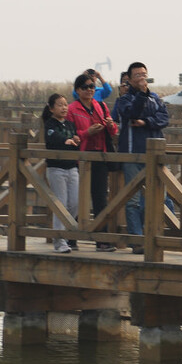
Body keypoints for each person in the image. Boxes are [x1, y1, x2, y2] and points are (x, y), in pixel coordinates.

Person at [113, 61, 169, 253]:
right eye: (137, 75)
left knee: (155, 198)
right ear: (129, 78)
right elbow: (131, 113)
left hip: (155, 155)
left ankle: (151, 237)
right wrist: (140, 96)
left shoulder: (155, 97)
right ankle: (137, 241)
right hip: (132, 154)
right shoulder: (124, 99)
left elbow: (164, 118)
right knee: (133, 200)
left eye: (144, 74)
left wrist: (146, 122)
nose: (141, 78)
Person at [67, 73, 119, 251]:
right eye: (85, 87)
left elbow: (112, 132)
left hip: (100, 156)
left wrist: (111, 125)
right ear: (77, 90)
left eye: (92, 87)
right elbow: (69, 135)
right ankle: (70, 238)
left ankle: (101, 239)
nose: (90, 90)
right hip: (80, 158)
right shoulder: (72, 109)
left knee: (100, 199)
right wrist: (86, 133)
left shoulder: (101, 106)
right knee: (75, 199)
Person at [42, 93, 80, 253]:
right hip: (56, 168)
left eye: (65, 104)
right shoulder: (50, 124)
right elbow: (53, 139)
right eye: (59, 105)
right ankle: (59, 241)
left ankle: (67, 235)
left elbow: (74, 143)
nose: (64, 107)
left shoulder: (70, 125)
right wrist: (66, 141)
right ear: (51, 108)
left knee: (75, 203)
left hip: (72, 167)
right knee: (61, 204)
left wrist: (75, 141)